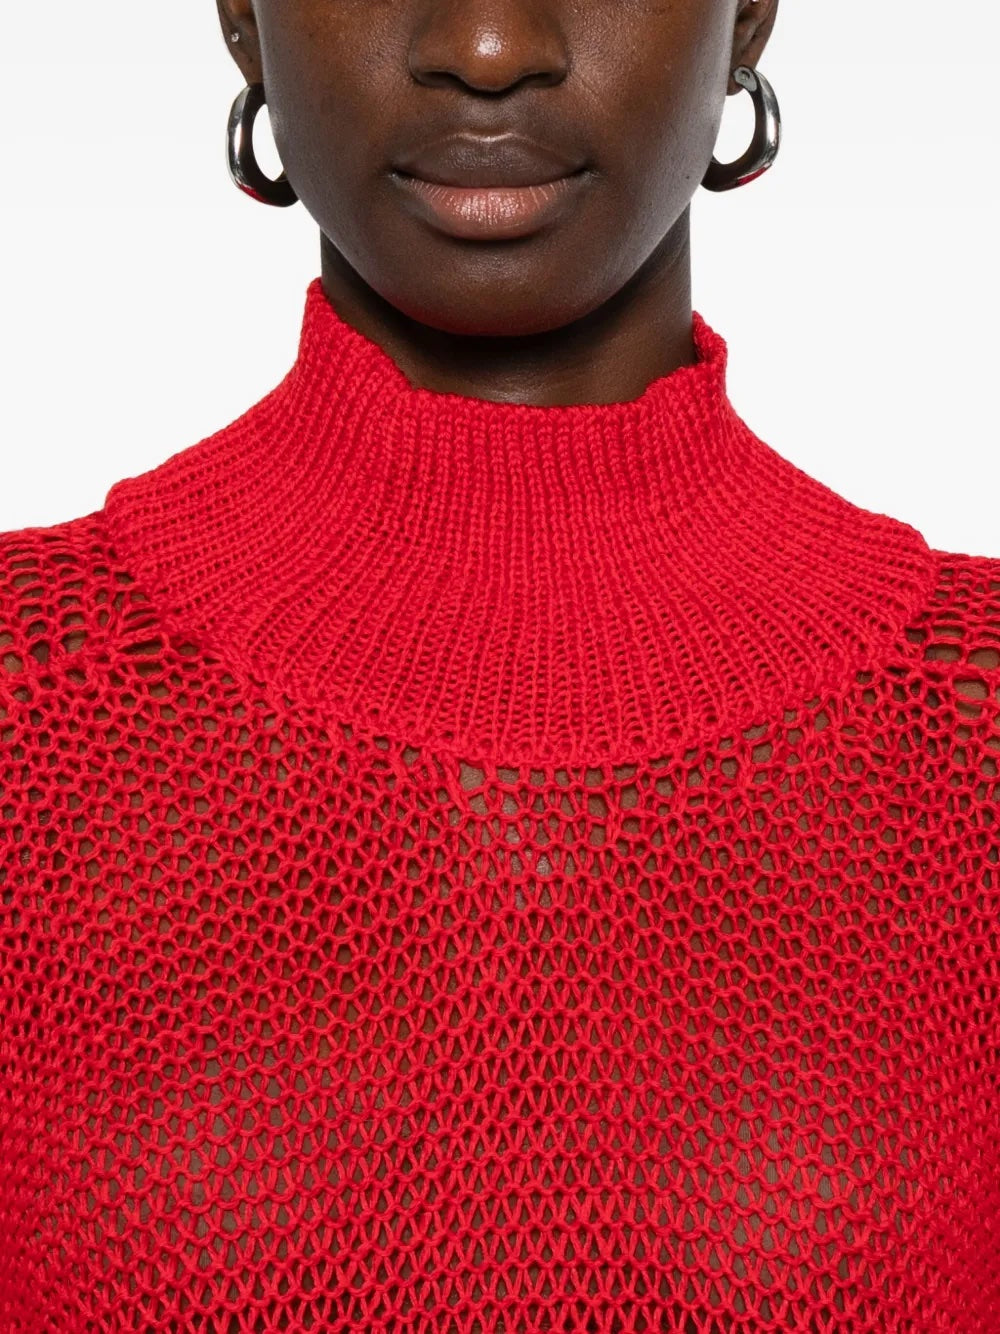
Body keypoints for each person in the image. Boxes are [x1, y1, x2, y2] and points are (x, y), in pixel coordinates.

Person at [1, 1, 997, 1330]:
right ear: (241, 16)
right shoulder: (27, 696)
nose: (487, 46)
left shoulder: (973, 732)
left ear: (750, 15)